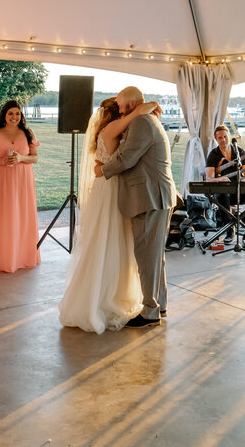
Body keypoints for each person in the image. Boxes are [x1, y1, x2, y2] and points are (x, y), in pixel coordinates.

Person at [59, 97, 161, 333]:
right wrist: (144, 107)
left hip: (107, 185)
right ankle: (106, 298)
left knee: (112, 241)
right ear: (116, 113)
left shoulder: (109, 128)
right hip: (110, 186)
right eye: (121, 110)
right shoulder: (114, 127)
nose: (125, 112)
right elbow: (121, 156)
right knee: (110, 240)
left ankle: (114, 292)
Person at [102, 86, 176, 328]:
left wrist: (101, 170)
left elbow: (127, 158)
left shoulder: (142, 122)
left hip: (150, 197)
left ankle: (150, 311)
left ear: (132, 104)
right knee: (155, 256)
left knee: (147, 255)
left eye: (121, 104)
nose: (119, 108)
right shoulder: (147, 119)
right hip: (155, 195)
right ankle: (159, 304)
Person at [0, 100, 41, 273]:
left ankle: (21, 256)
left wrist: (21, 158)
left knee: (20, 214)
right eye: (11, 113)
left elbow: (35, 157)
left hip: (22, 180)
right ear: (4, 115)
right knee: (1, 215)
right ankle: (0, 257)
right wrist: (1, 161)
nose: (14, 117)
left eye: (17, 113)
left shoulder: (27, 133)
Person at [205, 124, 245, 242]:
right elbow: (209, 178)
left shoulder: (240, 152)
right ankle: (230, 230)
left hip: (239, 190)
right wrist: (220, 179)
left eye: (225, 136)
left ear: (229, 136)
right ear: (216, 139)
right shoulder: (213, 155)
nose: (223, 140)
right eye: (220, 138)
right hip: (223, 192)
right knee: (222, 194)